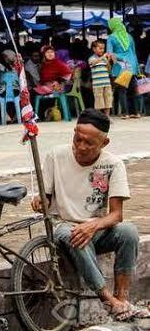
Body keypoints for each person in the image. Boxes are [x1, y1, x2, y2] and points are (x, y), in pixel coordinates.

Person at [32, 109, 147, 321]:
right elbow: (46, 199)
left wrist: (93, 225)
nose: (81, 147)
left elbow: (116, 215)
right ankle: (108, 301)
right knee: (75, 233)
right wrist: (41, 202)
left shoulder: (113, 164)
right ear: (74, 133)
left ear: (104, 143)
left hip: (97, 230)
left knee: (129, 232)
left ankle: (121, 299)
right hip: (64, 227)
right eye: (77, 140)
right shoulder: (55, 156)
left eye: (89, 143)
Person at [106, 18, 140, 119]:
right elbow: (134, 53)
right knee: (132, 91)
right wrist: (137, 68)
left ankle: (125, 113)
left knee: (122, 91)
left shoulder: (111, 38)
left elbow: (109, 53)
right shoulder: (129, 36)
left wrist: (114, 58)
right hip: (132, 66)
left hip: (121, 66)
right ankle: (135, 112)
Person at [89, 41, 113, 117]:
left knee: (108, 99)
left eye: (103, 48)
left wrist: (108, 60)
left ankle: (107, 117)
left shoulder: (104, 59)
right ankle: (98, 117)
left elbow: (109, 69)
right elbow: (93, 63)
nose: (102, 50)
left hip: (106, 83)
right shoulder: (91, 58)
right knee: (99, 101)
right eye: (100, 48)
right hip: (97, 84)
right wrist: (102, 57)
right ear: (94, 49)